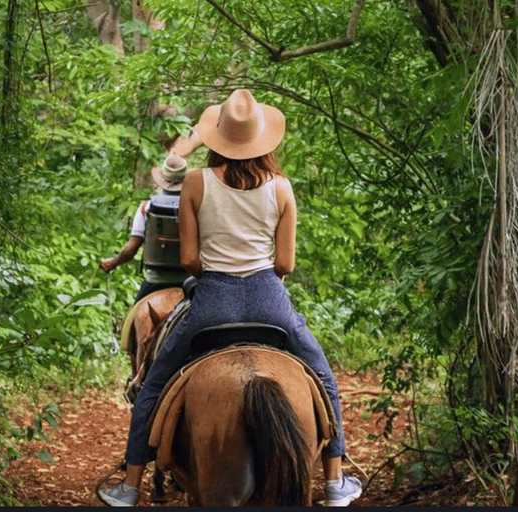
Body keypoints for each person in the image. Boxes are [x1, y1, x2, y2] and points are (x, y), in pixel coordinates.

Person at [98, 89, 363, 507]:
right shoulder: (281, 187)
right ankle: (334, 480)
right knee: (323, 376)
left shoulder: (196, 182)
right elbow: (286, 265)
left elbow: (188, 259)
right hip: (269, 299)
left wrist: (216, 275)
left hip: (212, 301)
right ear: (263, 140)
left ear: (219, 138)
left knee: (152, 383)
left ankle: (129, 486)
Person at [100, 155, 191, 302]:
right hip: (189, 281)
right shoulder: (196, 207)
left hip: (156, 280)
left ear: (162, 180)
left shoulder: (146, 207)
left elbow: (131, 250)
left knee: (131, 322)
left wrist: (113, 263)